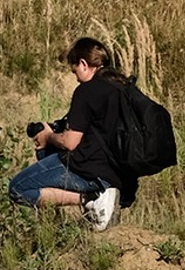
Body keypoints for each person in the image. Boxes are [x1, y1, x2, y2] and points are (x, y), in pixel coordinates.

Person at [9, 37, 127, 231]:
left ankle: (91, 199)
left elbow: (71, 142)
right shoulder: (122, 88)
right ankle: (95, 206)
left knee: (18, 188)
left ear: (83, 64)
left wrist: (48, 137)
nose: (76, 77)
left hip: (91, 170)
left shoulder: (86, 91)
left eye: (74, 71)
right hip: (117, 173)